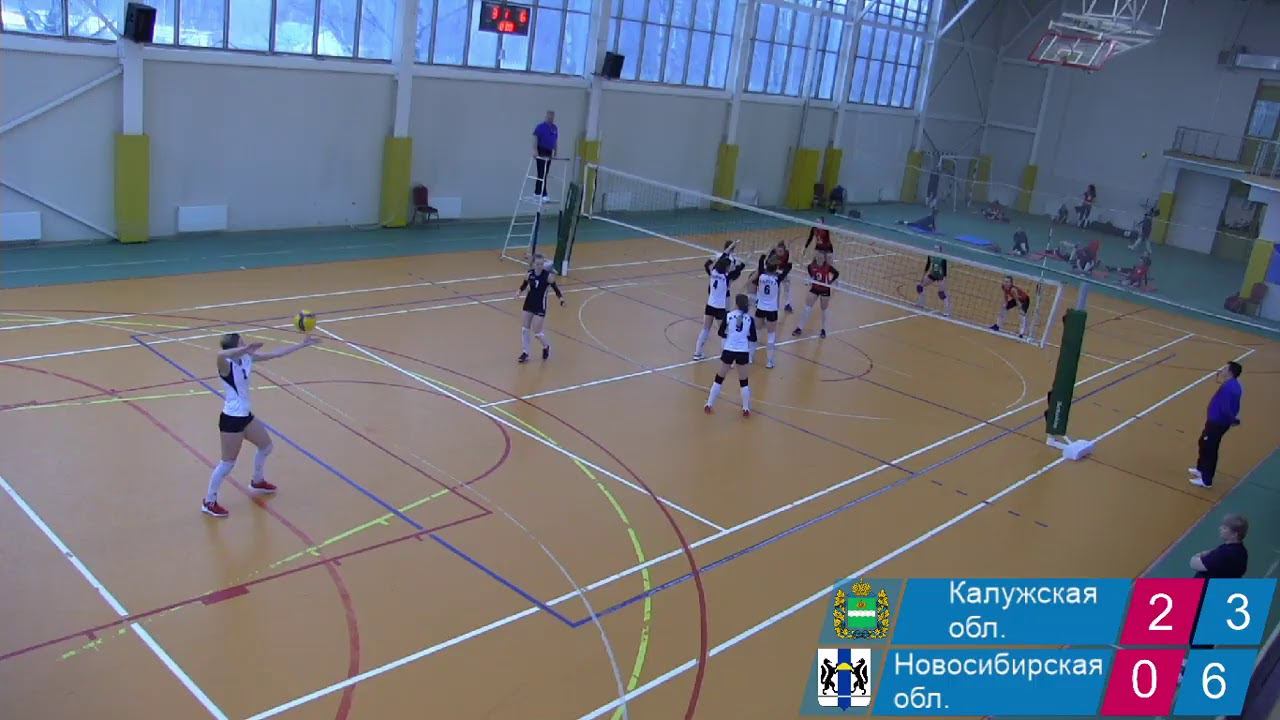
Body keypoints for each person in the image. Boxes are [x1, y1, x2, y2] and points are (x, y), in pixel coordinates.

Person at [202, 332, 320, 518]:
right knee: (227, 464)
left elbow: (276, 354)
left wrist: (302, 344)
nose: (245, 343)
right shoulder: (225, 364)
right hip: (231, 419)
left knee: (266, 446)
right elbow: (220, 354)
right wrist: (245, 349)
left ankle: (257, 481)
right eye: (241, 342)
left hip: (246, 417)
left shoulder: (246, 358)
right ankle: (209, 501)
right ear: (235, 346)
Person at [1190, 361, 1243, 488]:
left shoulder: (1229, 388)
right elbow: (1235, 406)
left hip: (1217, 423)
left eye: (1225, 368)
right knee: (1203, 442)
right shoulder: (1234, 385)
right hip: (1216, 421)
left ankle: (1206, 480)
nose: (1222, 369)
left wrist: (1232, 419)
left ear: (1230, 372)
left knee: (1210, 448)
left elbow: (1225, 408)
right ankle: (1201, 469)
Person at [704, 294, 756, 417]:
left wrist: (730, 335)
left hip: (729, 350)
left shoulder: (728, 315)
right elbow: (753, 337)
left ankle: (709, 404)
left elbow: (720, 332)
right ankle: (746, 408)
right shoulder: (750, 319)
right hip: (743, 351)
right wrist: (743, 336)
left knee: (719, 378)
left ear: (736, 304)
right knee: (744, 381)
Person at [693, 254, 746, 360]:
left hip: (710, 305)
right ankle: (727, 358)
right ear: (726, 267)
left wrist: (715, 257)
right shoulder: (727, 277)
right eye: (729, 266)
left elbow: (706, 264)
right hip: (720, 308)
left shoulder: (713, 272)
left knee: (705, 329)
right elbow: (740, 268)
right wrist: (743, 262)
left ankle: (697, 353)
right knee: (724, 333)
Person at [516, 253, 564, 363]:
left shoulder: (548, 276)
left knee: (537, 332)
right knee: (525, 329)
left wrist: (561, 299)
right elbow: (523, 285)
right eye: (537, 264)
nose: (539, 266)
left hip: (540, 306)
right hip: (529, 303)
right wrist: (518, 292)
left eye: (541, 264)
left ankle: (546, 346)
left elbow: (556, 289)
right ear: (533, 264)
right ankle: (525, 353)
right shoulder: (529, 274)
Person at [792, 251, 839, 339]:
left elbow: (836, 273)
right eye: (818, 257)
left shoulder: (828, 267)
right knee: (807, 307)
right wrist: (812, 280)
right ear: (816, 257)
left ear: (824, 259)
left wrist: (830, 282)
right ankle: (799, 328)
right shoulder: (811, 266)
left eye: (821, 258)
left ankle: (823, 329)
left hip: (825, 289)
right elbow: (811, 273)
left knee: (824, 309)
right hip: (815, 288)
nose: (819, 259)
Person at [749, 255, 783, 368]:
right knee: (771, 335)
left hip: (760, 308)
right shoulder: (778, 279)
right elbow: (789, 267)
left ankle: (750, 357)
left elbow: (760, 261)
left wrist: (764, 255)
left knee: (756, 332)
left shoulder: (761, 275)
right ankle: (769, 362)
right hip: (772, 310)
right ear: (776, 268)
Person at [1190, 515, 1249, 579]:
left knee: (1181, 585)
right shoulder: (1241, 551)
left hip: (1207, 585)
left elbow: (1194, 564)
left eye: (1225, 528)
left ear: (1234, 534)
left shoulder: (1225, 553)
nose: (1220, 528)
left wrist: (1200, 555)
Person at [915, 243, 951, 316]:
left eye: (937, 249)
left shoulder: (943, 258)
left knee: (941, 293)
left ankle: (947, 310)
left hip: (940, 276)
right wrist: (923, 276)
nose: (935, 251)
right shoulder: (930, 255)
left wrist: (944, 281)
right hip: (933, 275)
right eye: (935, 249)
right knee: (920, 286)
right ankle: (921, 303)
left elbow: (945, 271)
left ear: (940, 251)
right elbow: (927, 266)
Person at [532, 110, 558, 198]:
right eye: (549, 117)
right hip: (541, 150)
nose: (551, 118)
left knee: (545, 172)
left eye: (552, 117)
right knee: (541, 172)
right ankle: (542, 193)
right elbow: (535, 138)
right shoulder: (540, 127)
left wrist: (555, 151)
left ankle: (538, 192)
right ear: (546, 117)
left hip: (549, 151)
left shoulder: (554, 128)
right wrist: (535, 150)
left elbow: (555, 140)